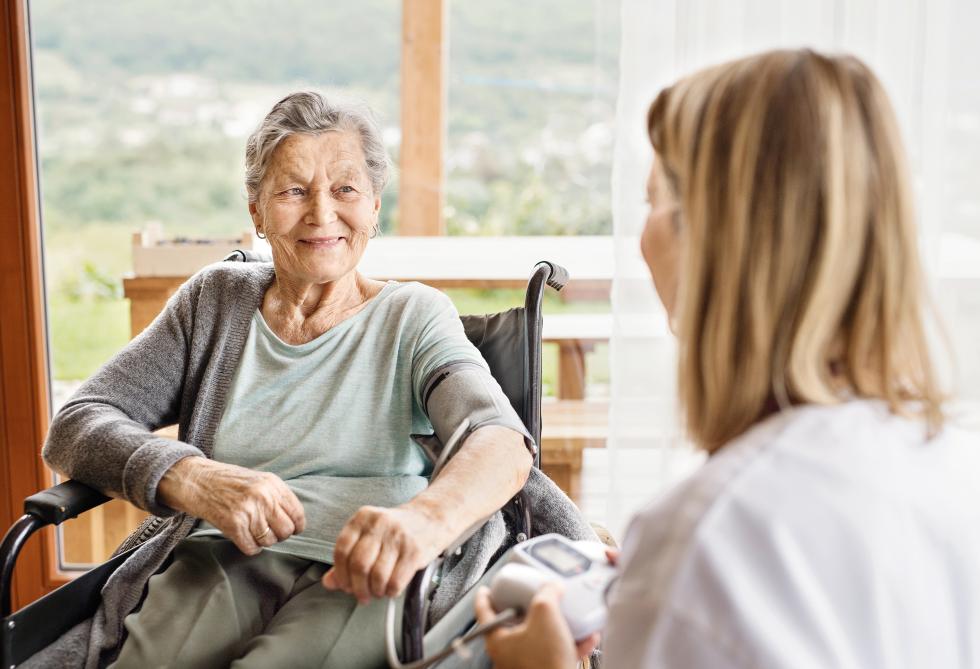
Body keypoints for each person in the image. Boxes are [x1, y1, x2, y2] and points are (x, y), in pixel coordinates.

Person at [35, 91, 597, 669]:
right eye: (293, 191)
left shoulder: (413, 315)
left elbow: (499, 443)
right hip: (218, 556)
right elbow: (78, 422)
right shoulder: (214, 302)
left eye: (346, 190)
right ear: (256, 210)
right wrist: (191, 477)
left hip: (364, 572)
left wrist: (424, 522)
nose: (322, 214)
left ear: (375, 206)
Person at [475, 49, 980, 668]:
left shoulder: (710, 538)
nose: (642, 237)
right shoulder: (953, 461)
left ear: (713, 239)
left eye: (651, 201)